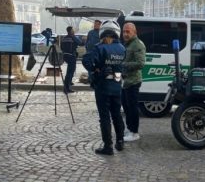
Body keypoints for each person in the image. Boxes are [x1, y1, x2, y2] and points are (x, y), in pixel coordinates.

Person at [82, 20, 126, 155]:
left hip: (103, 86)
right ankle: (120, 141)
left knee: (105, 117)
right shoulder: (123, 49)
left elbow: (86, 60)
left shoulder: (100, 47)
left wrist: (95, 69)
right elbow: (123, 68)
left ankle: (108, 146)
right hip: (117, 85)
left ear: (103, 32)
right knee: (117, 114)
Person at [121, 22, 146, 142]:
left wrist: (124, 65)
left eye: (128, 31)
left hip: (133, 81)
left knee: (132, 108)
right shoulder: (128, 44)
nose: (125, 34)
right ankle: (129, 128)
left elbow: (140, 63)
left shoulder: (138, 45)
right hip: (126, 81)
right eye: (124, 31)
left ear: (134, 32)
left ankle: (135, 132)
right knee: (126, 107)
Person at [60, 26, 82, 93]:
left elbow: (61, 47)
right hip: (71, 56)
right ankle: (66, 88)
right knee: (70, 72)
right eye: (73, 30)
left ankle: (69, 82)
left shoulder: (64, 38)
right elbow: (80, 43)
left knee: (70, 71)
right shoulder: (73, 37)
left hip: (65, 56)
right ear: (71, 31)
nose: (74, 31)